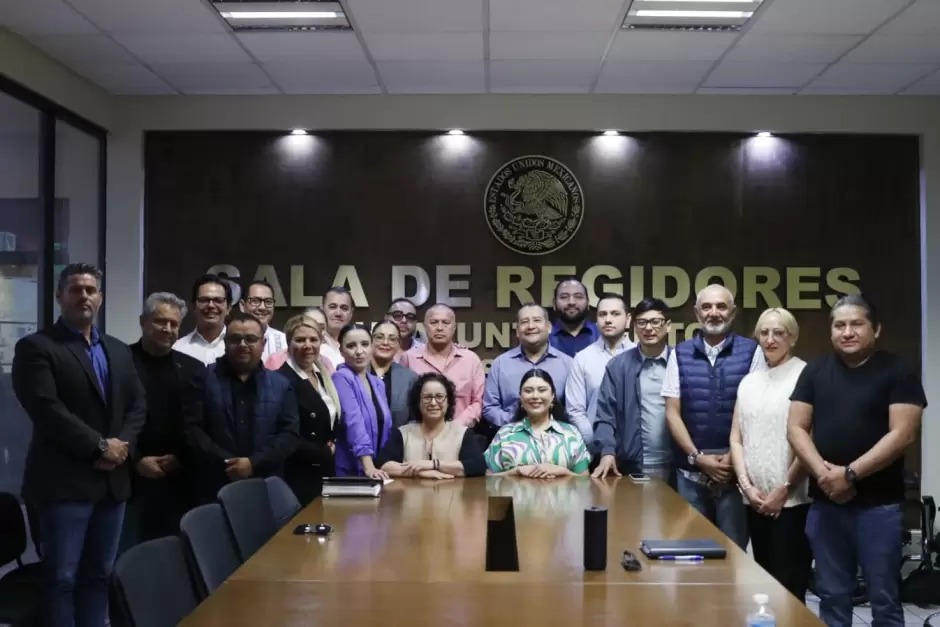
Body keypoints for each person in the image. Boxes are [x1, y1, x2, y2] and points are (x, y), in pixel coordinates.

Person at [12, 263, 146, 627]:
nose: (83, 296)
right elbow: (46, 409)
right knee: (61, 579)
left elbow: (137, 406)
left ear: (100, 298)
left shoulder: (118, 350)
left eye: (90, 290)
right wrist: (100, 447)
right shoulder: (36, 348)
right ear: (60, 296)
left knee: (100, 575)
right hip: (63, 485)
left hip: (112, 485)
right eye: (75, 289)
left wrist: (122, 446)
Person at [788, 295, 926, 625]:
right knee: (832, 595)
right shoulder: (815, 370)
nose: (847, 332)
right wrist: (826, 475)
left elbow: (902, 434)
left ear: (876, 329)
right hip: (825, 505)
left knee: (884, 598)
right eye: (839, 325)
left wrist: (849, 475)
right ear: (831, 331)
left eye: (856, 324)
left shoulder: (898, 370)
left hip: (879, 508)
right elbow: (795, 427)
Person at [662, 284, 762, 549]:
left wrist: (731, 460)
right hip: (690, 473)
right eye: (706, 307)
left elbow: (755, 412)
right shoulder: (678, 353)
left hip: (734, 472)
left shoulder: (753, 351)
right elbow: (672, 412)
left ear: (733, 312)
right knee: (691, 553)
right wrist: (697, 458)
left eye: (721, 306)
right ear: (697, 312)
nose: (713, 313)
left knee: (734, 553)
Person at [729, 308, 811, 602]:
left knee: (789, 586)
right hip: (754, 500)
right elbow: (736, 438)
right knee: (762, 586)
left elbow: (809, 442)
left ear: (792, 337)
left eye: (779, 333)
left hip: (792, 501)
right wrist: (747, 487)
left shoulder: (805, 375)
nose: (770, 339)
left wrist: (784, 488)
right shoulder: (749, 381)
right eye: (764, 332)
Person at [183, 309, 300, 502]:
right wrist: (229, 463)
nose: (243, 345)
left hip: (267, 486)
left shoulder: (281, 384)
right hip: (214, 485)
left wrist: (253, 464)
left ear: (263, 344)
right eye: (235, 339)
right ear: (225, 343)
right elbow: (192, 431)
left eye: (251, 339)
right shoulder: (202, 379)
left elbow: (290, 434)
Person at [123, 292, 205, 550]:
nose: (168, 329)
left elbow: (201, 422)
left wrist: (181, 458)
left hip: (180, 478)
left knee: (176, 556)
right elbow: (110, 418)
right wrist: (136, 461)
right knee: (129, 557)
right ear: (143, 322)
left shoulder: (194, 368)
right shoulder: (120, 362)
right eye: (160, 322)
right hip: (130, 479)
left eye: (174, 324)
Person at [593, 298, 674, 481]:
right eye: (642, 322)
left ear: (668, 325)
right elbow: (605, 416)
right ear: (634, 326)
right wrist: (607, 452)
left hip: (678, 466)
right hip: (632, 465)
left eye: (655, 322)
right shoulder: (618, 366)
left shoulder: (681, 362)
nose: (648, 328)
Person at [278, 314, 341, 505]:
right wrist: (323, 451)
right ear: (289, 343)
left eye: (313, 339)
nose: (308, 345)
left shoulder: (322, 374)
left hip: (324, 470)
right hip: (298, 475)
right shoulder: (280, 380)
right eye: (300, 340)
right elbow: (284, 435)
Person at [376, 373, 486, 479]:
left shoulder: (462, 434)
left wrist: (433, 464)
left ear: (448, 402)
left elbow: (477, 467)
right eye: (427, 397)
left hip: (451, 496)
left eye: (439, 397)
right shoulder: (402, 433)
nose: (433, 403)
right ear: (418, 402)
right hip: (411, 497)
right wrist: (420, 472)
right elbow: (384, 465)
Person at [485, 369, 591, 478]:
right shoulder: (505, 434)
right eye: (528, 391)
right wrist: (514, 472)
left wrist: (563, 472)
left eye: (542, 390)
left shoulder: (571, 434)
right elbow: (488, 478)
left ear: (552, 395)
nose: (535, 396)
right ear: (521, 397)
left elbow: (584, 478)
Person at [483, 303, 574, 430]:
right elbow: (489, 407)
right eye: (524, 322)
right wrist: (515, 425)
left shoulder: (568, 364)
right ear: (517, 331)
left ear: (548, 327)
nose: (531, 326)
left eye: (537, 320)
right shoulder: (500, 364)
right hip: (511, 437)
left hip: (557, 439)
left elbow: (574, 409)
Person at [399, 304, 485, 428]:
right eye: (434, 322)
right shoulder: (408, 358)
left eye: (446, 323)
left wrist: (455, 427)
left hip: (461, 433)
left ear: (454, 327)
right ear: (424, 326)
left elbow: (478, 402)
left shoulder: (471, 360)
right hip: (419, 433)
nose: (439, 328)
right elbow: (403, 402)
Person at [565, 293, 635, 444]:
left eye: (615, 314)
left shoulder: (640, 356)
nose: (608, 319)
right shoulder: (582, 359)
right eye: (602, 314)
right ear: (596, 321)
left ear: (628, 319)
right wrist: (598, 445)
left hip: (636, 453)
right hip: (594, 450)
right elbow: (575, 412)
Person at [332, 323, 392, 479]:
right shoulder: (341, 377)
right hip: (354, 469)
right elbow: (354, 422)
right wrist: (369, 466)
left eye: (365, 344)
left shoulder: (378, 383)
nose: (359, 351)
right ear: (341, 351)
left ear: (372, 347)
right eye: (351, 346)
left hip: (378, 468)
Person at [173, 274, 232, 365]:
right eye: (204, 300)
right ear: (194, 306)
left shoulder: (240, 349)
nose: (211, 305)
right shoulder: (177, 349)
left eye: (218, 300)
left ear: (228, 308)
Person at [370, 321, 419, 429]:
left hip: (397, 442)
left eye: (392, 339)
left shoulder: (410, 379)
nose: (385, 342)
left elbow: (414, 421)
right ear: (371, 341)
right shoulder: (355, 373)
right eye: (379, 337)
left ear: (398, 344)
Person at [264, 306, 339, 372]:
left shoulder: (326, 363)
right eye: (309, 326)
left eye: (321, 327)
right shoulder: (276, 360)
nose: (315, 332)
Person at [239, 280, 287, 362]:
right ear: (242, 305)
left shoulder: (285, 341)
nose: (262, 307)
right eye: (255, 301)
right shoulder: (231, 340)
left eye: (268, 302)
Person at [549, 278, 598, 357]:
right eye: (564, 297)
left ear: (588, 303)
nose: (571, 302)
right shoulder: (543, 337)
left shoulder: (601, 335)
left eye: (578, 297)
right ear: (554, 303)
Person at [323, 287, 354, 356]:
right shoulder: (313, 345)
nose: (338, 313)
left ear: (351, 313)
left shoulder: (360, 347)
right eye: (333, 307)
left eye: (344, 308)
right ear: (322, 310)